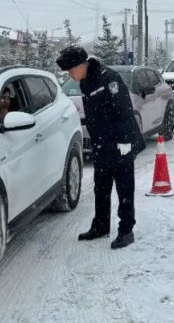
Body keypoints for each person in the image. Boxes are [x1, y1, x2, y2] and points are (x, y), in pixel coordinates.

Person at [56, 46, 145, 250]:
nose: (71, 76)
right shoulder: (87, 80)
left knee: (124, 189)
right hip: (103, 144)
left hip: (120, 143)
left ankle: (126, 230)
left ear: (80, 66)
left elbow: (123, 109)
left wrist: (125, 141)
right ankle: (101, 226)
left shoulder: (109, 78)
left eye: (71, 71)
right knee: (101, 188)